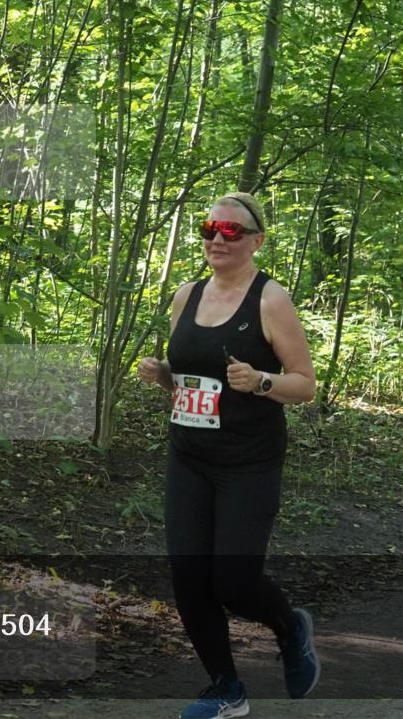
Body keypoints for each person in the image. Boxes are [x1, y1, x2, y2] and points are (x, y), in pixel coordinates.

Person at [137, 192, 320, 719]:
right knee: (189, 579)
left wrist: (262, 381)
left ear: (256, 240)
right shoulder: (185, 295)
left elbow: (304, 385)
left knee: (235, 582)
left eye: (232, 231)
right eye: (210, 228)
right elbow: (195, 380)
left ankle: (290, 628)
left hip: (248, 463)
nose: (218, 238)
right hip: (189, 456)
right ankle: (226, 689)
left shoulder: (270, 300)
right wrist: (163, 376)